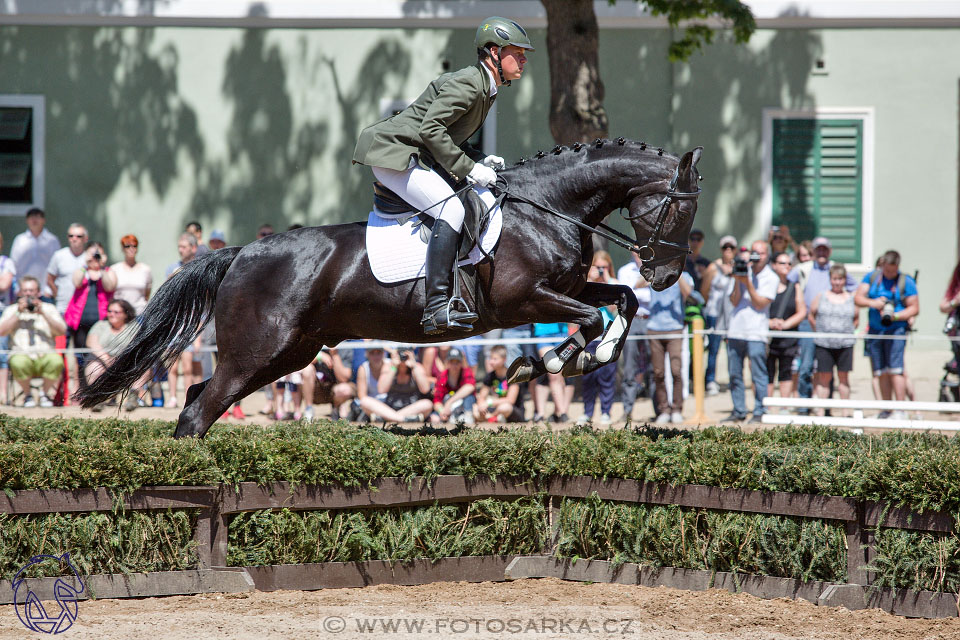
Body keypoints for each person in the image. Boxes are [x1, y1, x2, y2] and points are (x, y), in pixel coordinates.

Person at [353, 17, 533, 335]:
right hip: (395, 152)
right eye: (517, 52)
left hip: (414, 152)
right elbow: (431, 130)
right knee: (451, 209)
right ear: (494, 52)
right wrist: (469, 168)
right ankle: (436, 307)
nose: (523, 59)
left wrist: (479, 159)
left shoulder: (486, 87)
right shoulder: (470, 83)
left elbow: (449, 135)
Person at [787, 236, 856, 402]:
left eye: (825, 249)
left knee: (826, 372)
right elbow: (786, 281)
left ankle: (827, 409)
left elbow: (857, 290)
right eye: (818, 249)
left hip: (834, 330)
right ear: (814, 251)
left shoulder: (836, 269)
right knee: (805, 367)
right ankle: (804, 406)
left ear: (830, 251)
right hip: (808, 323)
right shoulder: (804, 268)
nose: (822, 252)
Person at [854, 250, 919, 414]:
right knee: (880, 371)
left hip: (896, 331)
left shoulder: (906, 281)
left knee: (896, 370)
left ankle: (900, 410)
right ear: (882, 265)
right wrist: (873, 303)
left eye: (893, 270)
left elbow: (915, 308)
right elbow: (858, 298)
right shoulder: (872, 278)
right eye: (887, 270)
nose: (890, 273)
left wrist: (896, 316)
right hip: (875, 330)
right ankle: (886, 410)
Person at [725, 241, 778, 422]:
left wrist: (747, 282)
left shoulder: (771, 277)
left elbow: (760, 303)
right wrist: (737, 279)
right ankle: (739, 410)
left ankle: (759, 410)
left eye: (761, 253)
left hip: (757, 332)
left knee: (758, 374)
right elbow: (734, 301)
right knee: (734, 373)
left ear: (767, 255)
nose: (757, 257)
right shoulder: (742, 270)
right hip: (736, 330)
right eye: (754, 252)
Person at [0, 276, 66, 407]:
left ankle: (44, 395)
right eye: (25, 290)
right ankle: (28, 395)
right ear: (20, 292)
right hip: (22, 355)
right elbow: (1, 331)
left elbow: (62, 331)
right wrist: (18, 313)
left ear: (38, 292)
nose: (28, 293)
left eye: (31, 290)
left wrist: (43, 313)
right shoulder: (12, 310)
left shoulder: (49, 308)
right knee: (18, 362)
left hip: (45, 354)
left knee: (56, 360)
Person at [576, 251, 619, 425]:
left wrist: (607, 282)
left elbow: (613, 311)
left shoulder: (615, 284)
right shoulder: (586, 285)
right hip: (589, 338)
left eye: (604, 267)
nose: (601, 270)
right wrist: (591, 281)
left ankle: (606, 412)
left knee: (606, 377)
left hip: (608, 337)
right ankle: (587, 413)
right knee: (588, 378)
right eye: (597, 267)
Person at [809, 264, 858, 416]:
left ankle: (845, 412)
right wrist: (819, 330)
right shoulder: (821, 296)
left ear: (844, 280)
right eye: (834, 279)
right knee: (824, 377)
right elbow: (811, 314)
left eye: (840, 279)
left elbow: (856, 319)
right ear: (830, 279)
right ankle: (821, 412)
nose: (837, 282)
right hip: (824, 344)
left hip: (845, 345)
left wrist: (847, 331)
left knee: (843, 378)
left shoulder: (851, 298)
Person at [64, 243, 116, 385]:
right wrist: (85, 264)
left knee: (104, 355)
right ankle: (82, 390)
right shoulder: (82, 270)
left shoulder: (108, 271)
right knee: (80, 357)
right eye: (92, 254)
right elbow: (77, 282)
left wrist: (101, 267)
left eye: (97, 254)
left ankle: (103, 389)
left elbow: (110, 286)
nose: (94, 257)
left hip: (101, 322)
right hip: (80, 321)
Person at [646, 270, 693, 424]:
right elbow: (637, 284)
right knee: (658, 373)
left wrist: (676, 274)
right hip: (654, 328)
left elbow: (688, 293)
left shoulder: (684, 275)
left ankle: (677, 408)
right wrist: (652, 274)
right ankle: (664, 409)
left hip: (675, 328)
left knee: (676, 370)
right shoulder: (654, 272)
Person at [84, 299, 144, 411]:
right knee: (94, 368)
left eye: (116, 312)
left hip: (126, 362)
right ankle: (97, 399)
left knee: (143, 366)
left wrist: (121, 361)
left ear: (125, 314)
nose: (112, 314)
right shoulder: (101, 325)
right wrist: (105, 357)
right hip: (101, 360)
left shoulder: (133, 327)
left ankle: (133, 398)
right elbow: (91, 342)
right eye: (110, 311)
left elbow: (137, 346)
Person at [164, 233, 201, 407]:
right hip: (175, 323)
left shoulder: (199, 267)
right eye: (179, 246)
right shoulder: (173, 268)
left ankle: (188, 399)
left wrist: (199, 333)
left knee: (188, 366)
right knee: (172, 364)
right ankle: (172, 397)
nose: (181, 250)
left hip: (192, 322)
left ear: (193, 248)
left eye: (184, 247)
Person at [699, 234, 737, 396]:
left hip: (732, 315)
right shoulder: (713, 267)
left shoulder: (738, 267)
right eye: (725, 247)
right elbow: (704, 291)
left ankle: (733, 379)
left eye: (731, 247)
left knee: (732, 350)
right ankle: (710, 380)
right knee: (714, 349)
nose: (728, 250)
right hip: (715, 313)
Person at [766, 251, 806, 401]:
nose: (787, 266)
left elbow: (802, 311)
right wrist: (770, 323)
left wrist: (785, 324)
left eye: (789, 263)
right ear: (774, 265)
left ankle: (784, 406)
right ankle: (766, 405)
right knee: (768, 372)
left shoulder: (794, 287)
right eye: (782, 263)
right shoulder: (766, 285)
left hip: (788, 338)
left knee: (786, 371)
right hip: (768, 338)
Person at [358, 346, 433, 423]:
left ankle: (389, 419)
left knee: (427, 404)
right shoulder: (390, 366)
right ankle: (402, 419)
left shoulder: (417, 367)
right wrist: (394, 367)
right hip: (390, 408)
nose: (403, 357)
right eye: (400, 354)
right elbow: (381, 389)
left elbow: (425, 389)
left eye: (405, 354)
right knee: (365, 401)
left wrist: (413, 367)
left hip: (412, 408)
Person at [617, 252, 651, 418]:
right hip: (632, 319)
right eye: (638, 250)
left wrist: (639, 285)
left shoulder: (656, 269)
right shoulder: (625, 270)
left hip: (652, 320)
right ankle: (627, 410)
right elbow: (627, 294)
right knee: (629, 366)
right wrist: (644, 282)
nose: (640, 254)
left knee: (655, 368)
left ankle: (660, 411)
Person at [9, 207, 59, 300]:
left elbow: (57, 267)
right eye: (31, 217)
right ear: (27, 220)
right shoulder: (20, 240)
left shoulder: (52, 240)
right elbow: (13, 265)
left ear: (44, 220)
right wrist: (17, 289)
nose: (34, 220)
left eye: (37, 217)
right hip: (24, 292)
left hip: (45, 292)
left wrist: (50, 290)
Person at [474, 345, 525, 423]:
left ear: (504, 359)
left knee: (504, 407)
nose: (491, 362)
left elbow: (510, 400)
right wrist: (481, 404)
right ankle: (495, 418)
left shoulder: (513, 376)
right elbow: (482, 396)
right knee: (475, 408)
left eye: (495, 359)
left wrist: (488, 403)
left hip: (513, 411)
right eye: (490, 358)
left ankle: (491, 417)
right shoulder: (490, 376)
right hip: (496, 408)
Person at [46, 223, 88, 316]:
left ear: (86, 238)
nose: (74, 239)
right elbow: (50, 279)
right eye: (71, 236)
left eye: (78, 236)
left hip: (84, 310)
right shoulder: (59, 255)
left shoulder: (89, 258)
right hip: (63, 308)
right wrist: (57, 295)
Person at [431, 347, 477, 425]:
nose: (454, 365)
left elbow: (470, 386)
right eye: (452, 362)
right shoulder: (442, 377)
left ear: (461, 363)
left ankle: (467, 417)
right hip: (449, 409)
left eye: (457, 362)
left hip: (464, 407)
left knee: (469, 397)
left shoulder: (466, 372)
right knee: (434, 419)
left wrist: (450, 402)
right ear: (447, 363)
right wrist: (442, 411)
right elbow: (437, 401)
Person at [111, 234, 152, 315]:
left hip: (140, 313)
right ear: (122, 248)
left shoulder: (145, 269)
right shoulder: (114, 269)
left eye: (134, 246)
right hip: (120, 314)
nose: (131, 249)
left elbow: (147, 294)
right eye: (127, 246)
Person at [0, 232, 17, 405]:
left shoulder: (6, 262)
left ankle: (2, 394)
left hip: (3, 312)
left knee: (2, 354)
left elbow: (4, 285)